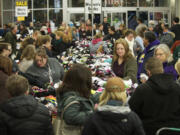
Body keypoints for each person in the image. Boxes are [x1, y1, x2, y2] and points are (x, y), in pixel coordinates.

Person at [129, 57, 180, 135]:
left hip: (148, 130)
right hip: (174, 130)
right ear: (162, 69)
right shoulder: (177, 87)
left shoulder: (143, 89)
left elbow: (131, 111)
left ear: (148, 72)